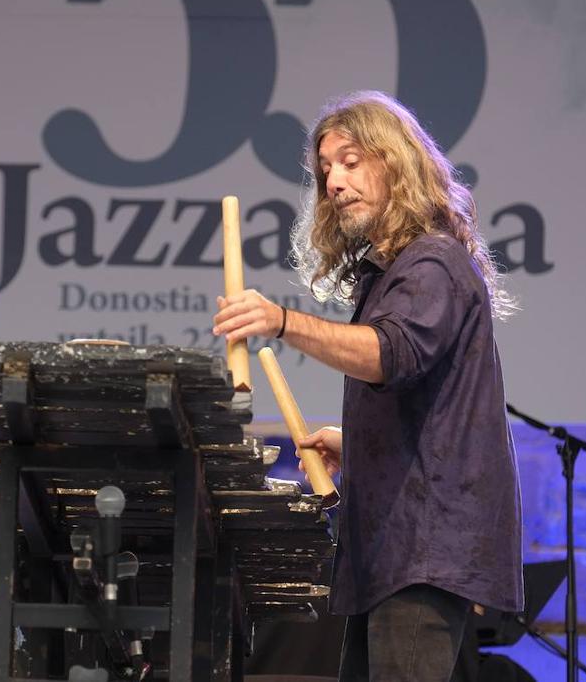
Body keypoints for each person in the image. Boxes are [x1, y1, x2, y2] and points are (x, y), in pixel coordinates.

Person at [213, 91, 523, 682]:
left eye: (351, 162)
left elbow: (390, 353)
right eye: (326, 168)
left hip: (423, 553)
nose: (334, 182)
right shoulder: (394, 273)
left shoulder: (433, 262)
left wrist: (280, 320)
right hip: (395, 553)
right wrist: (357, 449)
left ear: (396, 162)